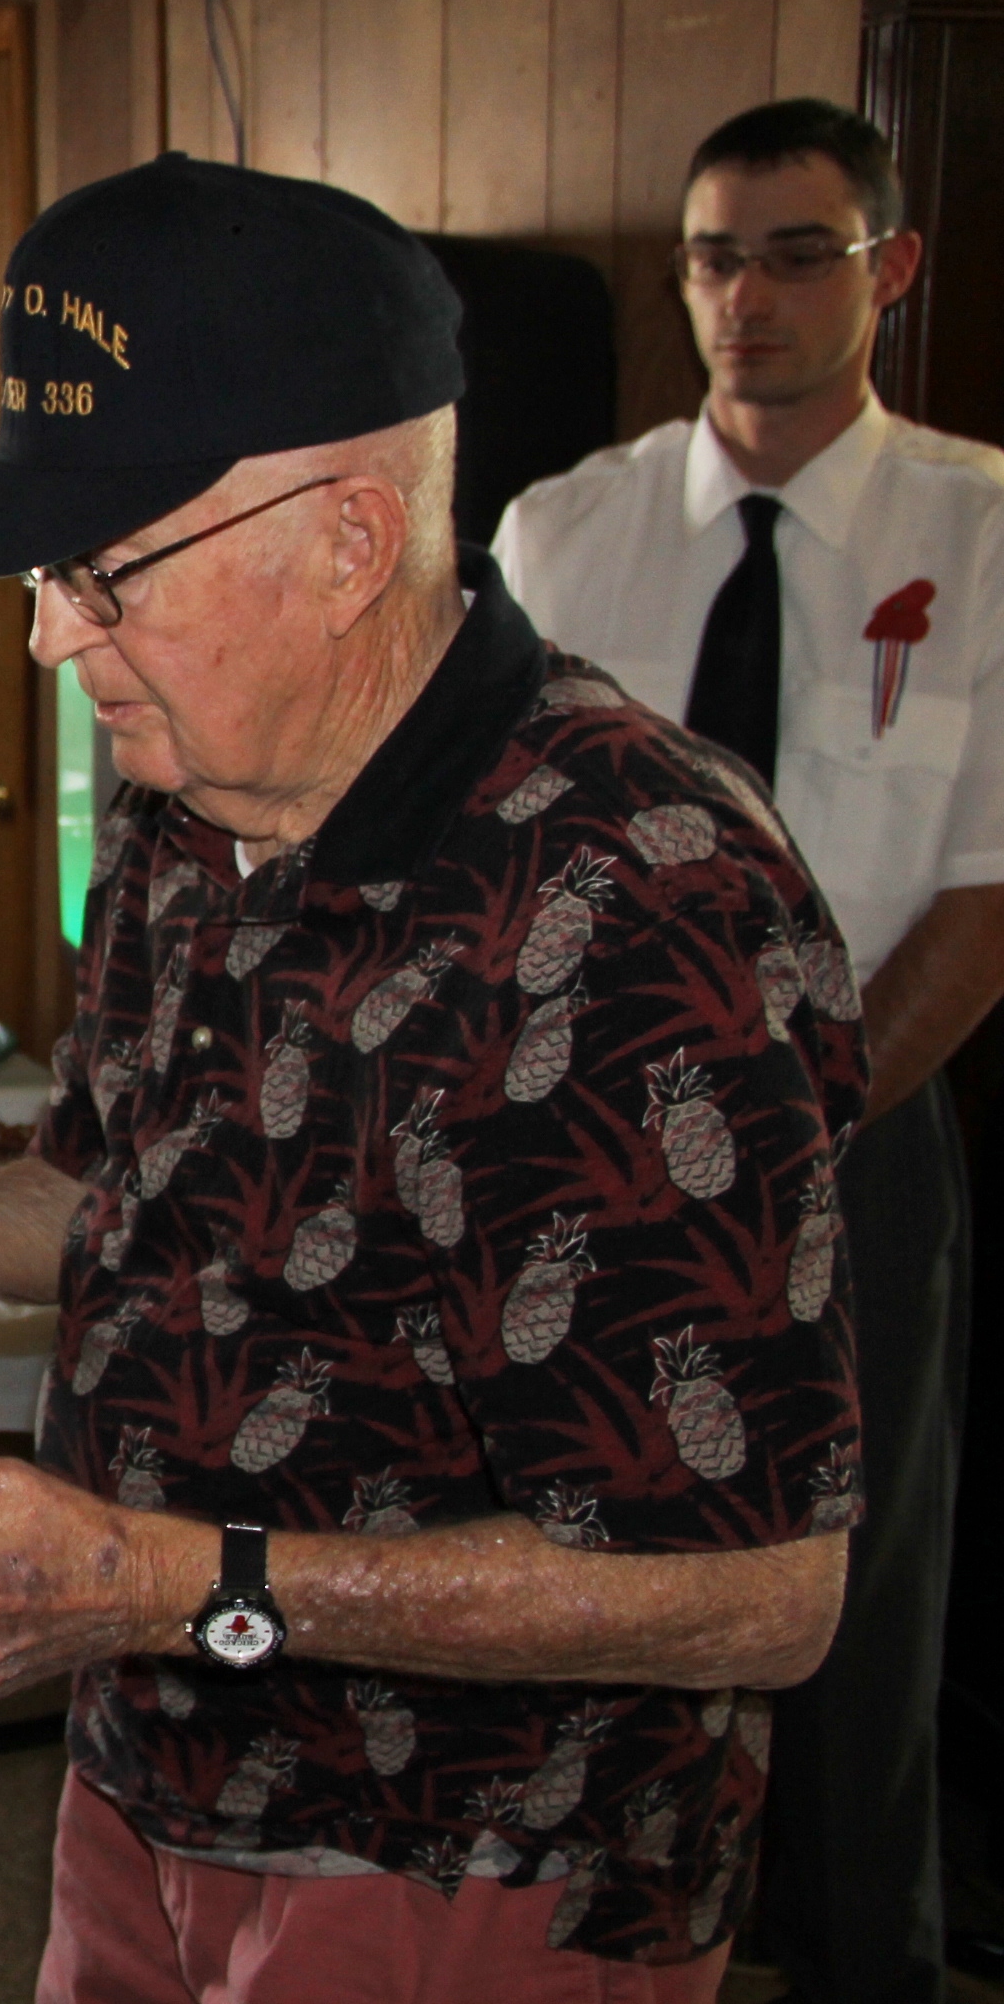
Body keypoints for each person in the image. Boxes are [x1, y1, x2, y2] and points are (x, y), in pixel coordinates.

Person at [0, 154, 864, 1999]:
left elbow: (758, 1594)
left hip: (470, 1852)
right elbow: (141, 1198)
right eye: (44, 571)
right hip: (155, 1759)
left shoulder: (638, 901)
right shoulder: (191, 794)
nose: (47, 636)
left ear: (348, 541)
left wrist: (181, 1583)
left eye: (101, 572)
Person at [494, 98, 1004, 2004]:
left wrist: (789, 1129)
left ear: (890, 267)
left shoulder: (979, 528)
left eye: (800, 254)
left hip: (859, 1135)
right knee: (596, 1578)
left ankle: (859, 1967)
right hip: (592, 1145)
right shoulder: (562, 532)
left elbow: (982, 903)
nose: (749, 297)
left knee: (853, 1611)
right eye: (715, 257)